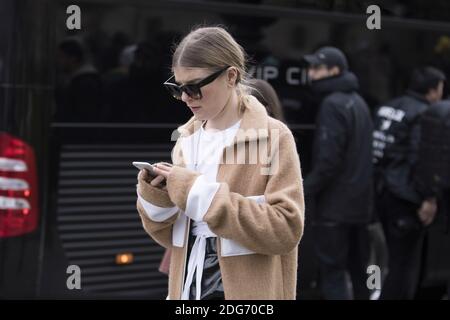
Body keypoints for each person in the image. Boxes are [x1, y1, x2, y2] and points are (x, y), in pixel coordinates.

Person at [135, 26, 305, 300]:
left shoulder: (274, 136)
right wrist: (158, 197)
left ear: (231, 76)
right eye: (177, 88)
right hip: (187, 287)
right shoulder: (186, 138)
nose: (186, 98)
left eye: (194, 87)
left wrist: (198, 193)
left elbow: (286, 230)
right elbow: (173, 239)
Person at [301, 46, 374, 300]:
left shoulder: (332, 104)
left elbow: (328, 161)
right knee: (358, 273)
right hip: (360, 208)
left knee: (332, 274)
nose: (311, 73)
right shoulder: (359, 102)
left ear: (334, 70)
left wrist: (303, 188)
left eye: (317, 68)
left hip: (334, 208)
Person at [373, 66, 446, 299]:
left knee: (393, 261)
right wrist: (428, 197)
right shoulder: (426, 114)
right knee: (405, 266)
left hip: (382, 192)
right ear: (433, 89)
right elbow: (422, 158)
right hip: (407, 198)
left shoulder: (387, 107)